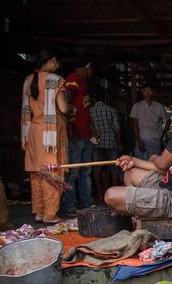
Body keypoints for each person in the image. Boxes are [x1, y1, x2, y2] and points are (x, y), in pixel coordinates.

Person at [104, 87, 172, 218]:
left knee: (110, 195)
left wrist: (153, 158)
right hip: (170, 185)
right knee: (130, 173)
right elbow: (163, 169)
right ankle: (142, 215)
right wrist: (133, 160)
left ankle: (143, 220)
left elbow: (162, 165)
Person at [21, 48, 71, 223]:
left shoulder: (28, 80)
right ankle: (50, 214)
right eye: (57, 63)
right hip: (49, 134)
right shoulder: (56, 80)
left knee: (36, 174)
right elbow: (63, 108)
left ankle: (39, 212)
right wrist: (72, 109)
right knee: (51, 172)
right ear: (52, 60)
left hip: (33, 131)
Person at [63, 60, 94, 213]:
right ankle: (70, 204)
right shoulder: (74, 78)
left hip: (85, 136)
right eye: (91, 69)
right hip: (76, 136)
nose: (91, 72)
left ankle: (86, 202)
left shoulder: (83, 84)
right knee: (74, 173)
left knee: (85, 172)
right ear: (86, 67)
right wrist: (71, 128)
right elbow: (67, 102)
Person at [89, 88, 123, 202]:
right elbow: (117, 129)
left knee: (97, 170)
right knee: (113, 168)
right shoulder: (111, 110)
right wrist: (119, 143)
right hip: (111, 142)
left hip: (96, 144)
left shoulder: (90, 111)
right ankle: (114, 193)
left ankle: (99, 194)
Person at [130, 84, 170, 160]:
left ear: (153, 92)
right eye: (146, 91)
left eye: (150, 91)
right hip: (142, 139)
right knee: (141, 163)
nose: (148, 93)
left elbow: (168, 121)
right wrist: (138, 140)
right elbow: (135, 124)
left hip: (155, 140)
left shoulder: (159, 106)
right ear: (143, 92)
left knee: (155, 164)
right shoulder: (137, 106)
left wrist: (162, 135)